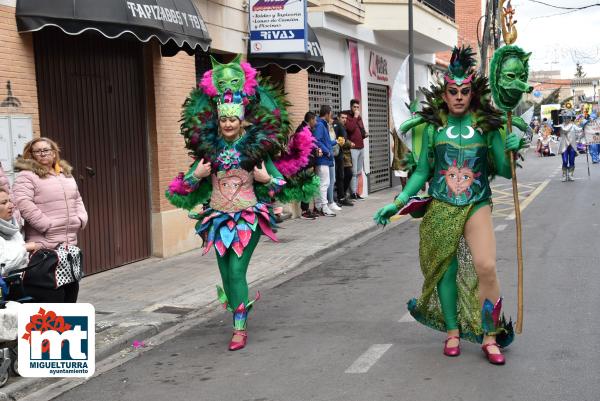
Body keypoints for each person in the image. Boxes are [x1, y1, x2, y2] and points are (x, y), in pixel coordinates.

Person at [374, 46, 522, 365]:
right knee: (446, 269)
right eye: (452, 91)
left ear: (473, 92)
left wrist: (511, 148)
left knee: (485, 265)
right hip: (441, 205)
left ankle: (489, 334)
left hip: (476, 203)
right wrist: (397, 202)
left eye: (464, 91)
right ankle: (452, 331)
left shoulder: (488, 125)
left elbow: (506, 171)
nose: (458, 97)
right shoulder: (432, 127)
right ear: (444, 93)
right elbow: (423, 172)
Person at [166, 56, 316, 351]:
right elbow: (181, 190)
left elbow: (280, 183)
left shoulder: (256, 148)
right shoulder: (208, 150)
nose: (228, 124)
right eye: (223, 119)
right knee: (225, 273)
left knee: (236, 272)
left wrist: (264, 179)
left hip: (249, 217)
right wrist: (196, 176)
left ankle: (239, 327)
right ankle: (239, 310)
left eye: (233, 119)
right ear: (218, 121)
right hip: (217, 218)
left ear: (242, 119)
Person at [12, 137, 88, 303]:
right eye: (38, 151)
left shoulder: (65, 174)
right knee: (52, 303)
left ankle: (65, 329)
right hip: (45, 250)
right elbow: (22, 202)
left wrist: (81, 219)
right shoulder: (27, 176)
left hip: (69, 248)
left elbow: (77, 198)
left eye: (47, 150)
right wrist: (46, 225)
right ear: (31, 155)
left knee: (70, 299)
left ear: (54, 153)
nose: (43, 153)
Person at [0, 188, 37, 277]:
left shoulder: (12, 227)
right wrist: (25, 248)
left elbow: (23, 261)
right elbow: (2, 267)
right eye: (4, 203)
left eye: (10, 201)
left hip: (20, 282)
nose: (11, 206)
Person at [313, 105, 337, 216]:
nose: (331, 116)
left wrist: (335, 142)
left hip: (324, 159)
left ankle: (319, 206)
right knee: (324, 183)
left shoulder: (322, 125)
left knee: (321, 184)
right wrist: (327, 151)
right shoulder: (320, 125)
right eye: (330, 114)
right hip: (323, 159)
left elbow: (325, 141)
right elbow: (317, 140)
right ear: (327, 114)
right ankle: (324, 207)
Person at [296, 112, 320, 219]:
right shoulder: (302, 130)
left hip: (309, 163)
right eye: (315, 120)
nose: (315, 122)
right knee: (306, 187)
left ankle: (306, 209)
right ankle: (304, 211)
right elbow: (302, 150)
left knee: (308, 186)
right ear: (310, 120)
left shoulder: (307, 129)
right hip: (305, 164)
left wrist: (316, 151)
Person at [345, 99, 367, 200]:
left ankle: (357, 192)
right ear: (351, 107)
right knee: (353, 172)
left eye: (358, 107)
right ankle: (352, 193)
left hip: (361, 147)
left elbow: (361, 129)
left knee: (358, 171)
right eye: (355, 107)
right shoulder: (349, 117)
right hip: (353, 148)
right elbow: (350, 129)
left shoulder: (359, 118)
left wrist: (364, 134)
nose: (356, 109)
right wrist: (355, 117)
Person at [333, 111, 354, 206]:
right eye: (342, 117)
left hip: (344, 155)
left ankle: (342, 195)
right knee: (340, 176)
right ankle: (340, 197)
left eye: (346, 118)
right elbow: (340, 141)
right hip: (338, 155)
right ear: (338, 117)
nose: (344, 119)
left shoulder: (342, 126)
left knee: (345, 175)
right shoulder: (336, 126)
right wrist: (349, 143)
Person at [557, 110, 583, 181]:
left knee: (572, 160)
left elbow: (580, 130)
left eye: (568, 117)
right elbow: (557, 133)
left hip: (572, 146)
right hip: (564, 146)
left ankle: (571, 175)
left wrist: (585, 126)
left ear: (570, 118)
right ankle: (564, 175)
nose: (566, 119)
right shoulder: (560, 126)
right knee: (565, 161)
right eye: (565, 117)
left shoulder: (573, 126)